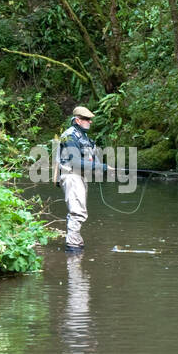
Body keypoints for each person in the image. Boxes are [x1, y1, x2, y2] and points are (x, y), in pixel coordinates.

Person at [57, 105, 109, 252]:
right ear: (78, 120)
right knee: (77, 211)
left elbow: (89, 158)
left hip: (80, 177)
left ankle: (75, 242)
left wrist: (100, 166)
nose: (90, 122)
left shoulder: (84, 136)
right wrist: (101, 167)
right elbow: (74, 162)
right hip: (71, 176)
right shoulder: (70, 136)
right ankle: (72, 247)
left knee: (78, 209)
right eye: (87, 119)